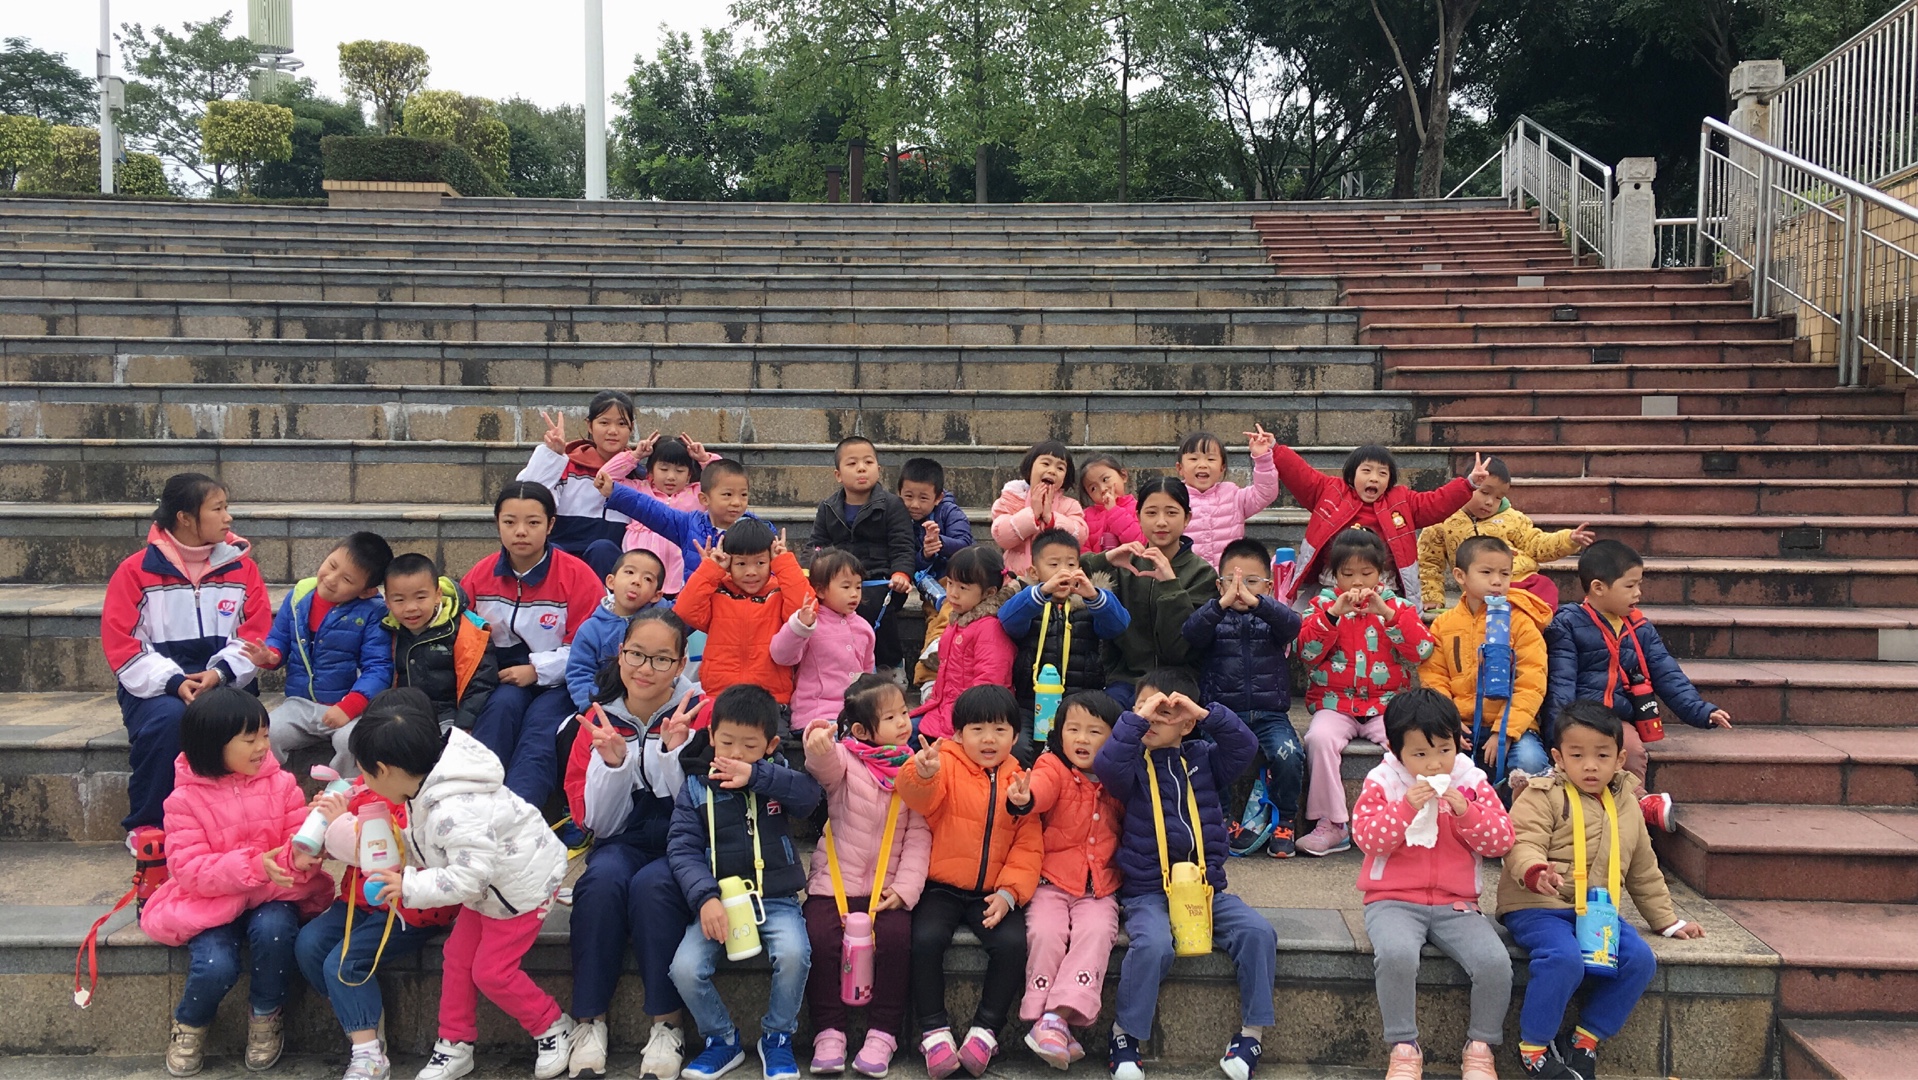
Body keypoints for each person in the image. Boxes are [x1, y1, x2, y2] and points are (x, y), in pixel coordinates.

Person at [353, 689, 575, 1080]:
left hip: (522, 890)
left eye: (366, 774)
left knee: (492, 972)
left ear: (384, 770)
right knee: (457, 956)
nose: (367, 783)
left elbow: (470, 875)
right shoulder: (427, 787)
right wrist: (397, 844)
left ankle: (552, 1024)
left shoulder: (453, 807)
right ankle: (455, 1041)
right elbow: (441, 850)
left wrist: (408, 886)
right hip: (488, 889)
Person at [1498, 701, 1706, 1080]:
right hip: (1538, 904)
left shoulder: (1626, 803)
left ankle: (1584, 1039)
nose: (1590, 766)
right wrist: (1533, 871)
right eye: (1578, 755)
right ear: (1559, 757)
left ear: (1620, 759)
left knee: (1639, 960)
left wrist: (1667, 921)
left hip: (1597, 911)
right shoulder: (1542, 794)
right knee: (1564, 959)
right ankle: (1534, 1047)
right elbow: (1521, 841)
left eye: (1602, 755)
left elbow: (1643, 867)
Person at [138, 687, 334, 1077]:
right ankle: (190, 1023)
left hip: (272, 894)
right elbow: (190, 869)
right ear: (213, 745)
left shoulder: (280, 784)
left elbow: (296, 841)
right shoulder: (184, 801)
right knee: (215, 965)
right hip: (212, 900)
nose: (263, 746)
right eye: (250, 739)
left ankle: (265, 1015)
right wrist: (254, 865)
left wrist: (305, 853)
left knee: (276, 930)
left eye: (265, 734)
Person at [1093, 669, 1273, 1080]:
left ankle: (1252, 1034)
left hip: (1206, 890)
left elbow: (1245, 747)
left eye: (1165, 713)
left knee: (1258, 932)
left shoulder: (1204, 759)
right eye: (1144, 708)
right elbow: (1106, 764)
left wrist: (1205, 714)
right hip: (1148, 892)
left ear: (1187, 723)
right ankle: (1125, 1035)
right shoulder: (1131, 766)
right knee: (1154, 945)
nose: (1152, 719)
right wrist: (1137, 719)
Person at [1349, 689, 1515, 1080]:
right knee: (1396, 955)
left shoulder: (1470, 781)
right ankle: (1404, 1047)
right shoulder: (1384, 781)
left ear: (1458, 743)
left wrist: (1466, 811)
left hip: (1457, 903)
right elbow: (1368, 840)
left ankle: (1480, 1047)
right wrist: (1405, 807)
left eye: (1444, 750)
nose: (1435, 763)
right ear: (1396, 751)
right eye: (1420, 754)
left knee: (1495, 963)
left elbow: (1502, 841)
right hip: (1391, 900)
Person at [565, 610, 703, 1080]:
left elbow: (703, 805)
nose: (646, 668)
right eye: (636, 655)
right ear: (620, 655)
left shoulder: (698, 713)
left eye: (661, 659)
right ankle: (589, 1021)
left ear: (681, 664)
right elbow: (595, 822)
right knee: (600, 882)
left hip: (684, 840)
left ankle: (667, 1024)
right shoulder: (598, 720)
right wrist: (613, 764)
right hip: (621, 836)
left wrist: (673, 753)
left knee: (653, 888)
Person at [295, 690, 458, 1080]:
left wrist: (339, 825)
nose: (363, 774)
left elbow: (383, 850)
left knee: (343, 963)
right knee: (309, 945)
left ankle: (369, 1055)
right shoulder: (369, 785)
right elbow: (338, 841)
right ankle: (363, 1023)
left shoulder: (427, 798)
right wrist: (320, 822)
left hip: (411, 906)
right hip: (361, 899)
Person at [666, 685, 825, 1080]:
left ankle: (777, 1036)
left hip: (777, 898)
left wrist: (758, 775)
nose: (735, 753)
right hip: (718, 900)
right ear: (711, 735)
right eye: (726, 742)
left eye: (749, 746)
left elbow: (809, 799)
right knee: (684, 968)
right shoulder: (695, 785)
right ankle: (721, 1038)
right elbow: (682, 848)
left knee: (794, 954)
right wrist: (705, 897)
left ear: (770, 745)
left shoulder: (777, 775)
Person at [101, 472, 271, 834]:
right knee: (169, 720)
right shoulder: (134, 572)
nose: (228, 518)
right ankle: (149, 828)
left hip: (225, 680)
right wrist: (174, 681)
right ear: (185, 518)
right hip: (155, 687)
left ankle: (238, 826)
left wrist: (220, 673)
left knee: (236, 724)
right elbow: (123, 644)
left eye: (226, 508)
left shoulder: (243, 569)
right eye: (218, 509)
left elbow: (254, 635)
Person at [899, 685, 1045, 1078]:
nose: (988, 739)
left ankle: (985, 1031)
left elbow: (1028, 846)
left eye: (999, 730)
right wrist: (921, 773)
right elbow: (918, 799)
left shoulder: (1020, 781)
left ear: (1016, 736)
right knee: (925, 939)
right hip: (941, 885)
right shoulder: (943, 763)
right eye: (977, 729)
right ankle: (933, 1031)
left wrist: (1010, 893)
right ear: (959, 734)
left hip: (994, 892)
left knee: (1012, 945)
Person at [1545, 540, 1733, 832]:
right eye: (1630, 586)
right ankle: (1587, 815)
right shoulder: (1567, 624)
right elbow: (1561, 681)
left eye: (1639, 585)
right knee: (1582, 755)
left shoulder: (1640, 628)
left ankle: (1635, 812)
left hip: (1617, 717)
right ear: (1598, 587)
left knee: (1631, 752)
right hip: (1578, 717)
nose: (1638, 593)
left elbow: (1667, 673)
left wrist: (1700, 710)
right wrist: (1557, 730)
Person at [801, 675, 933, 1078]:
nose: (903, 722)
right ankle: (829, 1032)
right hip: (834, 883)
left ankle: (883, 1034)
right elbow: (823, 764)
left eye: (904, 713)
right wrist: (817, 740)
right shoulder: (847, 760)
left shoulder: (913, 770)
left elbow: (919, 835)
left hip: (888, 888)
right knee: (819, 938)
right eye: (890, 717)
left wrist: (905, 890)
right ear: (861, 731)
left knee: (895, 941)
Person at [461, 481, 605, 810]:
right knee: (498, 712)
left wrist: (537, 671)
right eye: (510, 522)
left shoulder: (577, 576)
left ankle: (521, 815)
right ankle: (475, 807)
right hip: (503, 677)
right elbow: (465, 634)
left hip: (563, 681)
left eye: (533, 522)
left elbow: (591, 646)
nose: (521, 531)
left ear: (551, 525)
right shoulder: (481, 575)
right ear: (497, 523)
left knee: (540, 730)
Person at [1297, 530, 1436, 857]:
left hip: (1386, 704)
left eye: (1366, 573)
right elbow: (1306, 652)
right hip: (1334, 703)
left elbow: (1422, 650)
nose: (1357, 582)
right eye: (1347, 574)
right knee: (1319, 739)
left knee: (1406, 742)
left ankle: (1408, 816)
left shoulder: (1397, 606)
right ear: (1334, 575)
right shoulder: (1322, 605)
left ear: (1381, 573)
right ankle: (1332, 823)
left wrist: (1388, 614)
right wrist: (1332, 615)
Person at [1010, 690, 1125, 1071]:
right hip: (1051, 881)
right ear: (1058, 733)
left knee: (1097, 932)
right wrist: (1025, 798)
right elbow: (1041, 789)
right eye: (1072, 729)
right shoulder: (1052, 766)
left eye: (1094, 731)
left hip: (1100, 888)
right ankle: (1051, 1019)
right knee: (1045, 931)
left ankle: (1054, 1018)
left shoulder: (1118, 780)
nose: (1082, 738)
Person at [1182, 538, 1304, 857]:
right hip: (1223, 713)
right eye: (1232, 581)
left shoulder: (1271, 618)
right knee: (1209, 755)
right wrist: (1219, 604)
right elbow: (1191, 633)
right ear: (1218, 584)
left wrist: (1260, 603)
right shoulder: (1214, 617)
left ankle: (1285, 820)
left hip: (1269, 714)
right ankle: (1220, 818)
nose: (1240, 590)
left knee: (1289, 754)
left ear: (1267, 585)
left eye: (1251, 581)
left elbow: (1293, 625)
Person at [1270, 443, 1490, 608]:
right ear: (1351, 475)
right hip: (1333, 584)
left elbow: (1436, 502)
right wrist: (1274, 448)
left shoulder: (1402, 501)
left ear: (1390, 480)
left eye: (1382, 473)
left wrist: (1468, 484)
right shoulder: (1331, 491)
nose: (1374, 478)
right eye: (1366, 471)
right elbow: (1301, 475)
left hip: (1383, 587)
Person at [251, 532, 395, 777]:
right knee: (268, 733)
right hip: (300, 704)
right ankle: (268, 784)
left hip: (349, 707)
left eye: (347, 579)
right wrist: (271, 655)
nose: (331, 579)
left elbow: (378, 668)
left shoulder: (373, 612)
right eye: (332, 565)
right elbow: (280, 637)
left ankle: (344, 790)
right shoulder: (298, 597)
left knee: (351, 741)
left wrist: (350, 706)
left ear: (366, 591)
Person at [1418, 535, 1554, 784]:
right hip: (1460, 723)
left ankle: (1518, 811)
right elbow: (1434, 676)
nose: (1497, 581)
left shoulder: (1521, 622)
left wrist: (1505, 731)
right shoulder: (1444, 625)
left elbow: (1532, 681)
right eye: (1486, 572)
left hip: (1513, 725)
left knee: (1530, 761)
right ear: (1460, 576)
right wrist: (1448, 722)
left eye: (1505, 573)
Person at [1078, 477, 1219, 705]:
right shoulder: (1125, 565)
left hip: (1179, 684)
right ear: (1138, 516)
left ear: (1187, 518)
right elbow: (1067, 575)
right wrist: (1106, 558)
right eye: (1151, 513)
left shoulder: (1202, 574)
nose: (1161, 522)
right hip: (1125, 681)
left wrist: (1170, 585)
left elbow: (1179, 648)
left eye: (1171, 513)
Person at [997, 530, 1130, 743]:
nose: (1063, 571)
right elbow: (1008, 619)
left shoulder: (1089, 606)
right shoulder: (1028, 603)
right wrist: (1042, 592)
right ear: (1034, 572)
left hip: (1081, 704)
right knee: (1019, 747)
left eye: (1070, 564)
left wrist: (1094, 596)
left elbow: (1119, 625)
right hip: (1029, 703)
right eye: (1053, 564)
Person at [1416, 456, 1594, 612]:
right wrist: (1432, 596)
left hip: (1522, 581)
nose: (1490, 502)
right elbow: (1429, 563)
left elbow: (1536, 543)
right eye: (1484, 492)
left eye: (1498, 498)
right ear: (1468, 484)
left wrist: (1568, 539)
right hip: (1482, 589)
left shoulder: (1512, 518)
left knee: (1545, 589)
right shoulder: (1442, 520)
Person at [673, 519, 812, 708]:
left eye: (760, 562)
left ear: (771, 562)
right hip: (719, 697)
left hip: (771, 700)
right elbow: (685, 610)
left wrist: (785, 563)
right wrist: (711, 569)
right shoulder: (718, 592)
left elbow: (803, 610)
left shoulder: (779, 592)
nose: (751, 572)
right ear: (728, 563)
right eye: (741, 563)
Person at [808, 436, 919, 674]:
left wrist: (901, 574)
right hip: (840, 578)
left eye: (868, 462)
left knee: (869, 601)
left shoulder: (892, 505)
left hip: (883, 579)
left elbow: (902, 545)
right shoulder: (828, 508)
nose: (861, 468)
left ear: (878, 469)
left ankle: (890, 663)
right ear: (838, 475)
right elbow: (816, 546)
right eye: (852, 463)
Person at [518, 391, 639, 577]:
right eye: (604, 423)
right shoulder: (566, 466)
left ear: (631, 427)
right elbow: (527, 495)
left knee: (603, 549)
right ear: (590, 425)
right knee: (554, 553)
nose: (613, 431)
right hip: (564, 557)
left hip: (609, 563)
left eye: (622, 424)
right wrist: (552, 455)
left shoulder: (639, 477)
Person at [381, 553, 499, 732]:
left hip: (448, 715)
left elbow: (480, 683)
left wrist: (464, 726)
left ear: (438, 595)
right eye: (399, 600)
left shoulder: (465, 630)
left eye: (420, 597)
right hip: (401, 715)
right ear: (387, 602)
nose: (411, 607)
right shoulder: (386, 629)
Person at [912, 546, 1019, 743]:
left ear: (989, 592)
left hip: (969, 719)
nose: (953, 593)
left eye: (963, 588)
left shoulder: (990, 628)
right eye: (950, 583)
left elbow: (988, 685)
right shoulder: (960, 620)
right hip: (943, 709)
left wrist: (967, 725)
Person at [595, 458, 764, 581]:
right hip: (697, 607)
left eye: (743, 495)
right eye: (727, 494)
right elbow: (650, 509)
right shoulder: (690, 525)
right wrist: (614, 491)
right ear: (704, 499)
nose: (737, 502)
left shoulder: (759, 531)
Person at [772, 548, 879, 729]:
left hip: (854, 714)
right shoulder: (810, 621)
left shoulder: (864, 627)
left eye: (858, 586)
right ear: (820, 591)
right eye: (846, 587)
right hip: (816, 714)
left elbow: (867, 672)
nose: (854, 593)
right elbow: (781, 655)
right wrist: (799, 626)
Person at [607, 431, 723, 596]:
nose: (671, 477)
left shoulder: (698, 494)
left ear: (689, 474)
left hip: (681, 579)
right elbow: (605, 478)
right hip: (639, 578)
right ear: (650, 471)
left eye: (679, 470)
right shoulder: (638, 489)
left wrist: (704, 459)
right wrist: (635, 456)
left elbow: (723, 480)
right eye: (663, 469)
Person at [566, 548, 668, 711]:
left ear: (657, 595)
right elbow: (580, 674)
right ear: (610, 581)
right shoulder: (591, 629)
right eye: (629, 572)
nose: (636, 581)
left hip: (654, 706)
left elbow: (690, 605)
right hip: (604, 706)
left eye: (647, 578)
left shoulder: (663, 622)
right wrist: (595, 708)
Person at [1175, 427, 1280, 568]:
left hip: (1229, 575)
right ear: (1180, 468)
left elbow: (1265, 493)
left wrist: (1262, 459)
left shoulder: (1232, 495)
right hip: (1189, 577)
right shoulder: (1174, 497)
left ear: (1222, 468)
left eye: (1211, 459)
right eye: (1194, 459)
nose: (1203, 465)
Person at [992, 441, 1088, 577]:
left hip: (1056, 576)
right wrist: (1033, 514)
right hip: (1017, 577)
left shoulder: (1070, 505)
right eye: (1046, 464)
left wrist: (1051, 518)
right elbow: (1001, 536)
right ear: (1030, 467)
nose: (1052, 471)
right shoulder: (1012, 498)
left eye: (1060, 468)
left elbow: (1081, 536)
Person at [899, 456, 975, 583]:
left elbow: (965, 545)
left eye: (923, 498)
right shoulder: (898, 516)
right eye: (909, 496)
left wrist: (939, 542)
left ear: (938, 498)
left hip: (960, 578)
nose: (915, 505)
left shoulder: (949, 512)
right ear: (899, 493)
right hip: (929, 583)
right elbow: (905, 560)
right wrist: (925, 555)